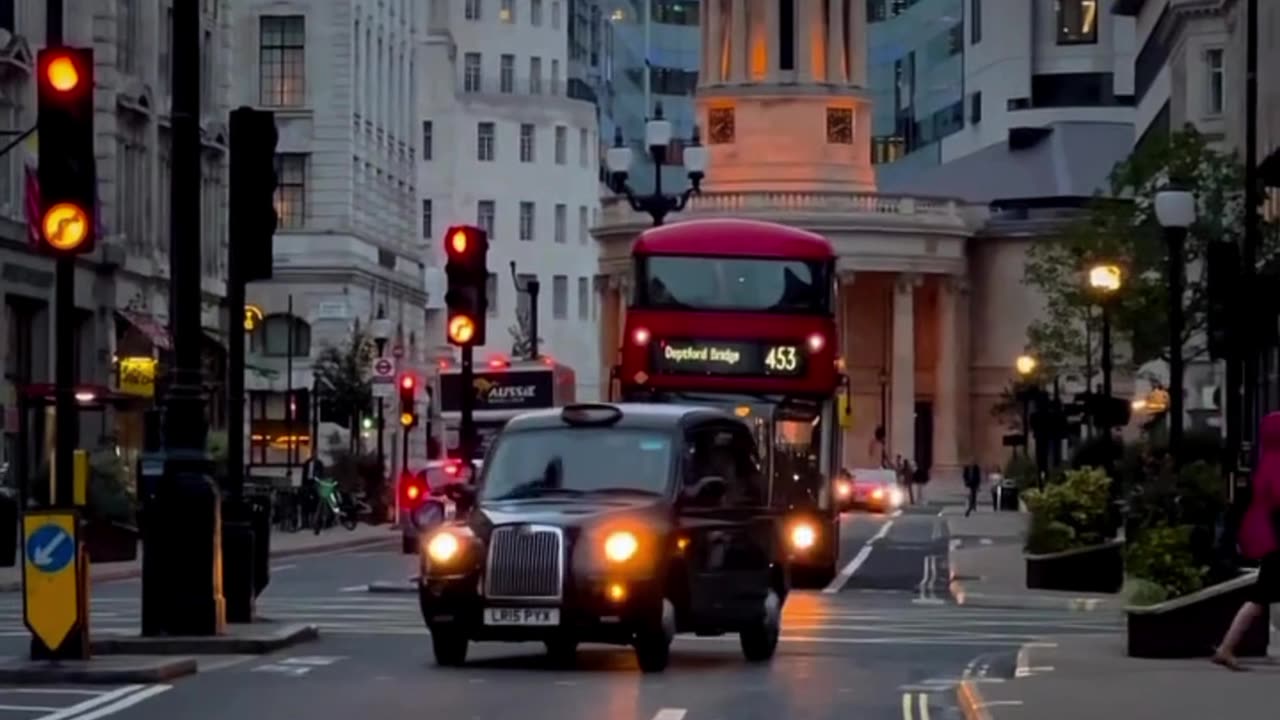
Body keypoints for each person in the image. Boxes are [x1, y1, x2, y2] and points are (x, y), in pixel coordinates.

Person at [1212, 412, 1280, 671]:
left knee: (1258, 599)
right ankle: (1226, 648)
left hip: (1272, 542)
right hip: (1278, 544)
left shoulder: (1266, 464)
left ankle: (1226, 648)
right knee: (1258, 600)